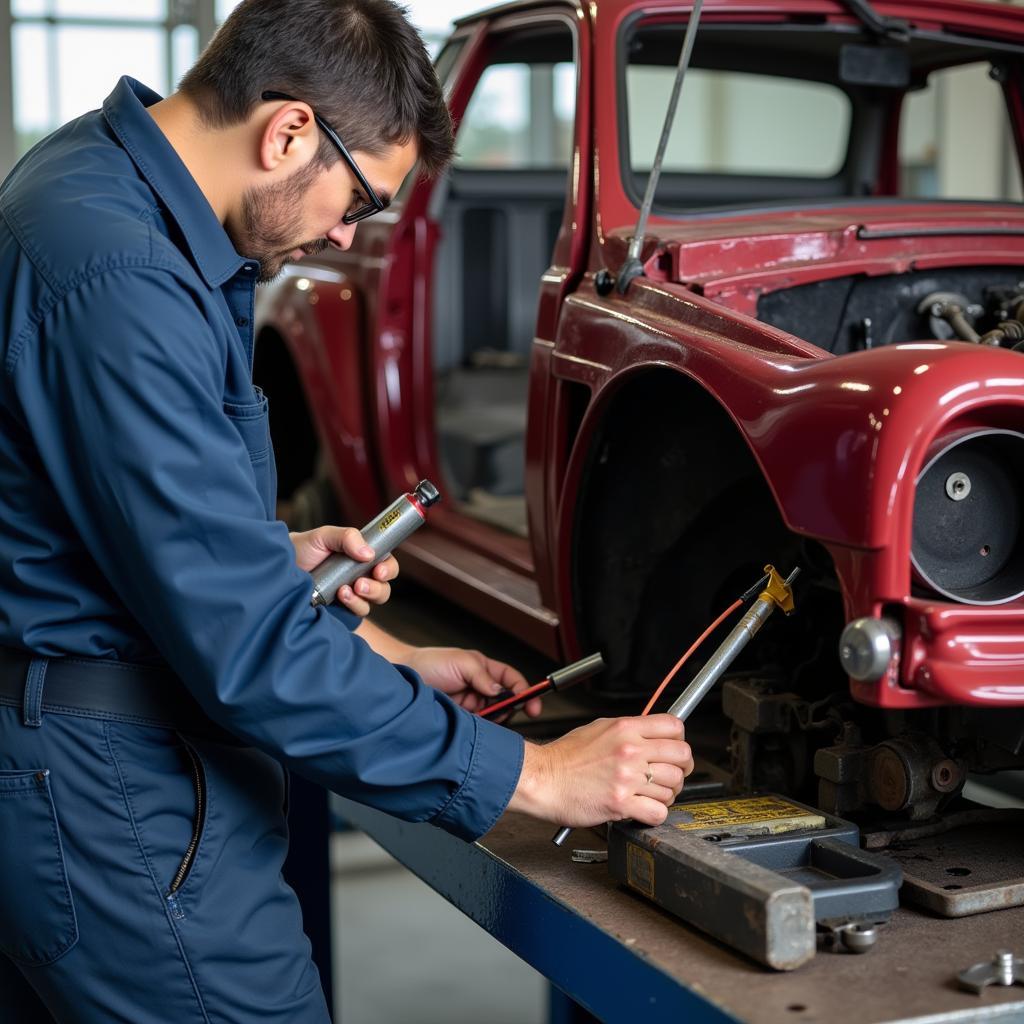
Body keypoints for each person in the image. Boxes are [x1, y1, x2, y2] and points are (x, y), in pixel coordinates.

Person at [0, 1, 695, 1021]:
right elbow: (250, 654)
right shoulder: (125, 276)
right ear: (287, 132)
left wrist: (269, 559)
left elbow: (92, 513)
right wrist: (534, 774)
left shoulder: (97, 183)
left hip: (76, 759)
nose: (341, 236)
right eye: (358, 201)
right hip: (116, 795)